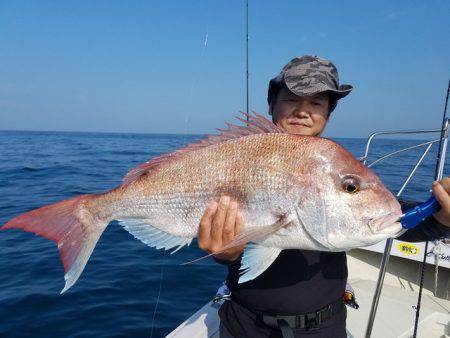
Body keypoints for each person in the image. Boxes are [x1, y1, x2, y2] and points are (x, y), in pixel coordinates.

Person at [197, 55, 450, 338]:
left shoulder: (335, 163)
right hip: (244, 325)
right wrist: (228, 254)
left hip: (323, 327)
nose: (303, 112)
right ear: (271, 104)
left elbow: (394, 218)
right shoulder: (238, 157)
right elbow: (228, 246)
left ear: (329, 112)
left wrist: (441, 219)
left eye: (316, 103)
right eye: (292, 99)